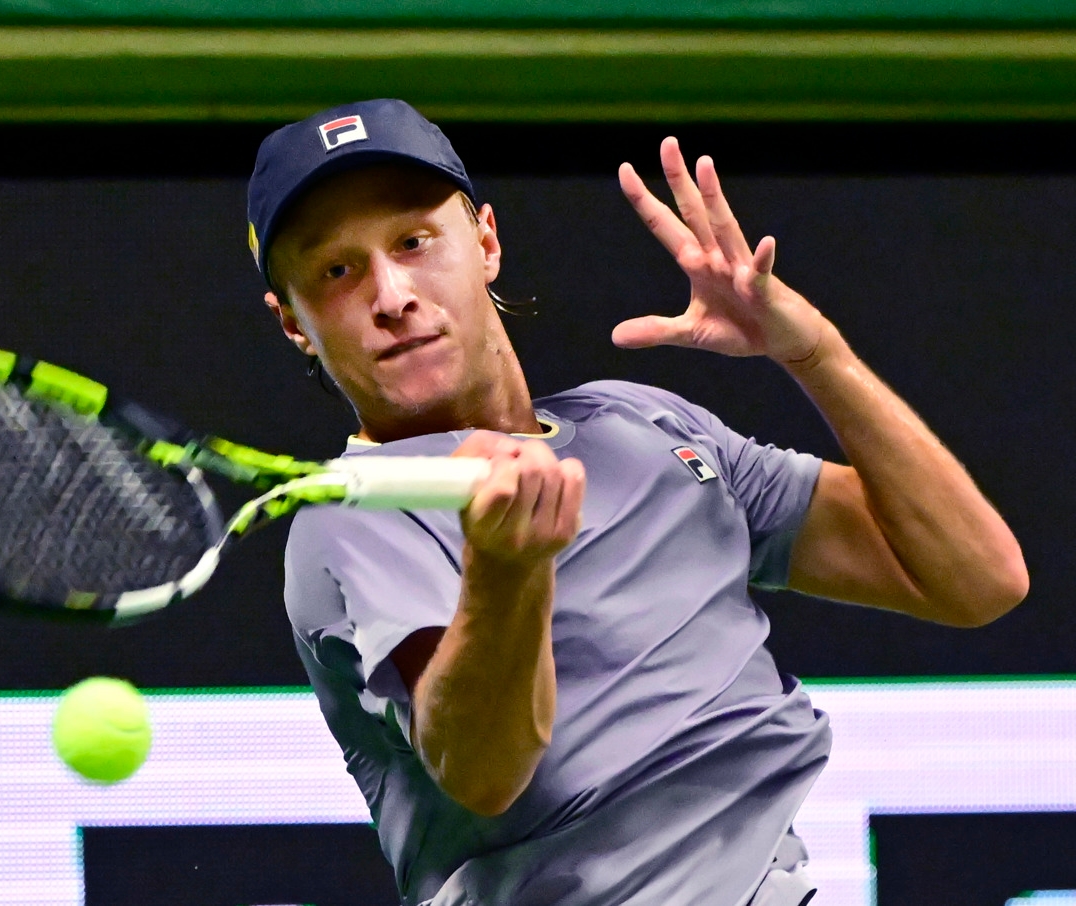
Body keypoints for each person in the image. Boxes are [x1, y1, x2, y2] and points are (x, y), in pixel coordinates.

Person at [246, 98, 1028, 905]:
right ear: (294, 323)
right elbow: (481, 774)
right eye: (336, 271)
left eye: (414, 242)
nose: (392, 294)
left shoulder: (641, 424)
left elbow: (975, 580)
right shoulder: (353, 517)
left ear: (484, 241)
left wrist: (812, 350)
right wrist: (508, 573)